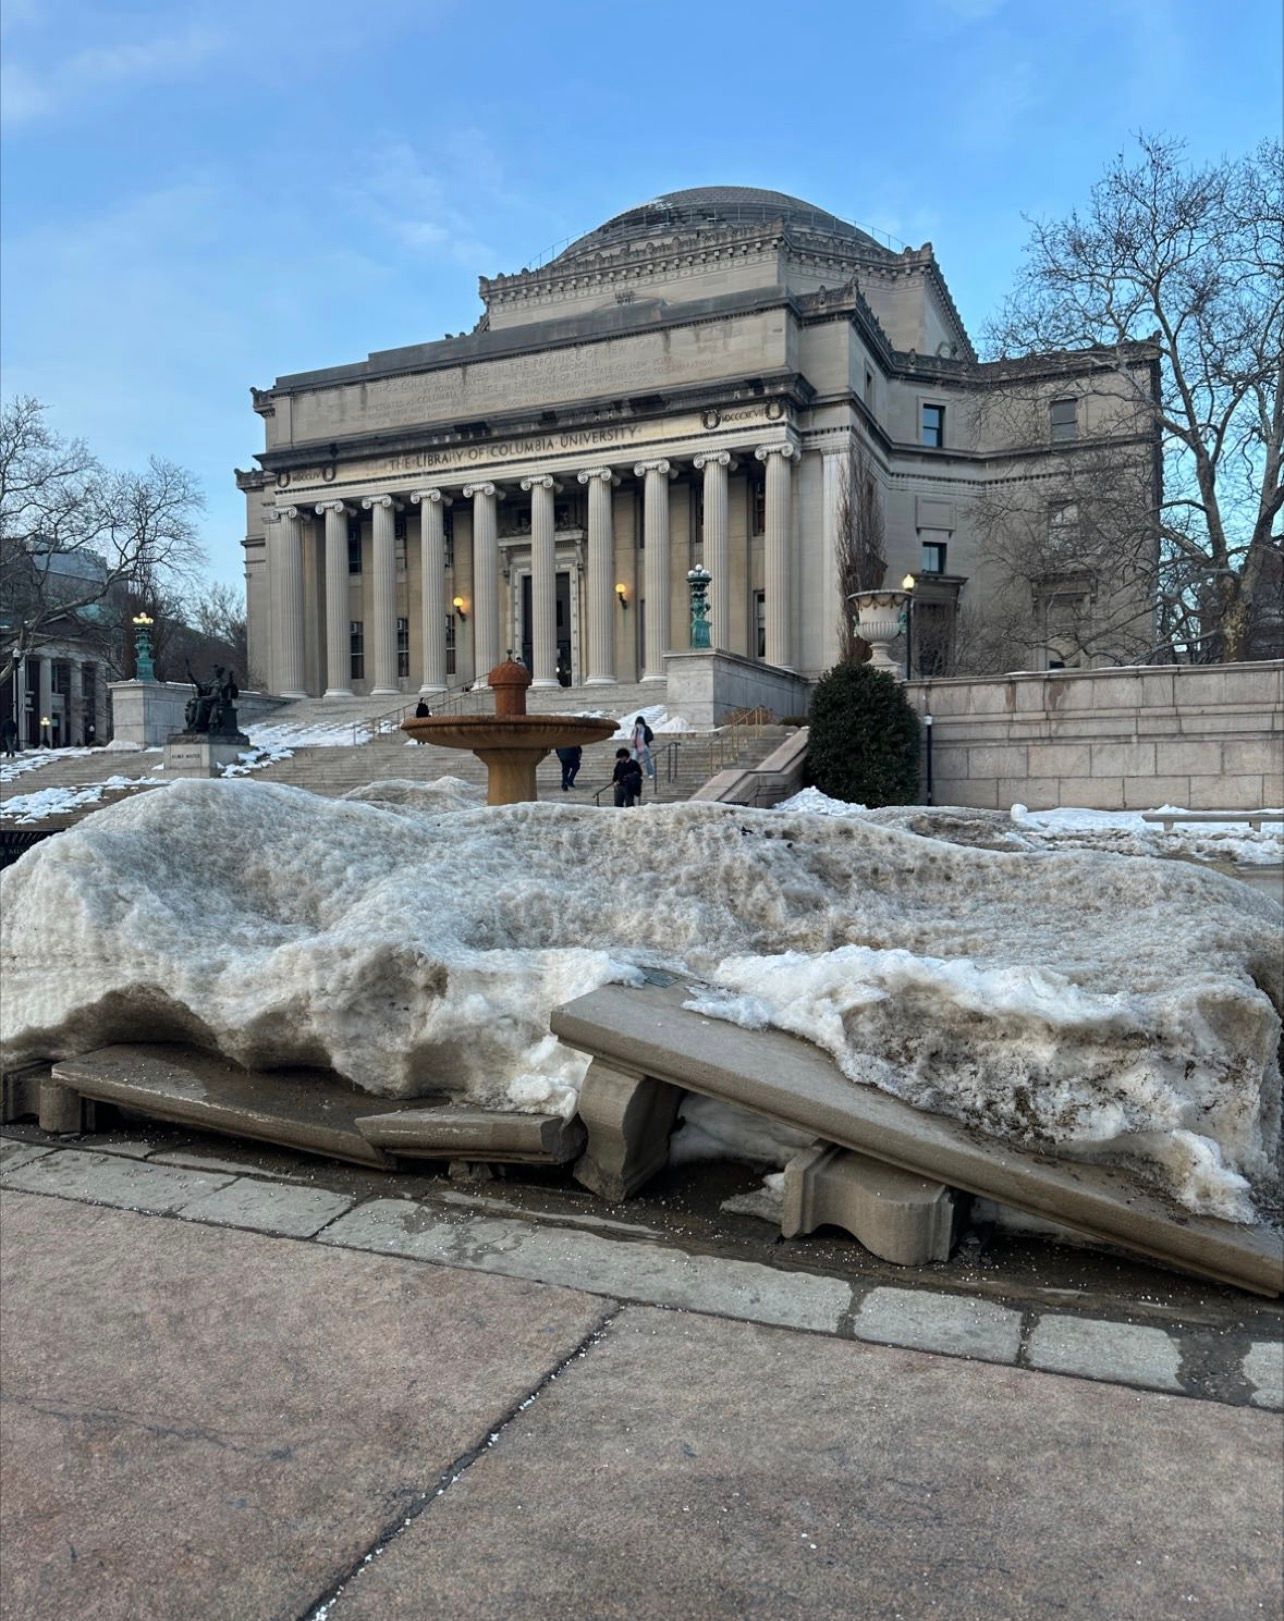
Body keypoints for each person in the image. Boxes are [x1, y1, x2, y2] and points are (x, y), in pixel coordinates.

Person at [630, 715, 657, 782]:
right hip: (638, 747)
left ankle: (651, 773)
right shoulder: (635, 729)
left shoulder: (645, 728)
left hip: (643, 747)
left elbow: (650, 736)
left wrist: (644, 741)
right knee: (635, 761)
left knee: (647, 761)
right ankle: (635, 774)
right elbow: (633, 737)